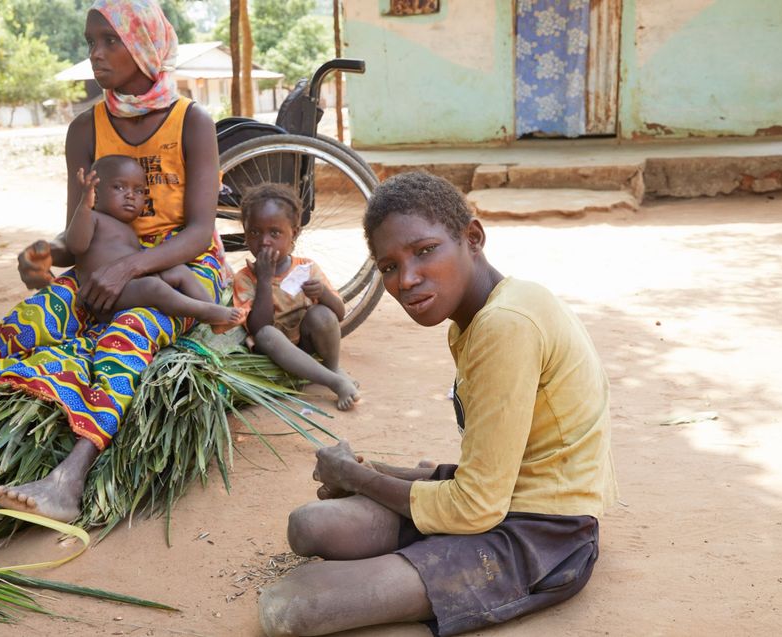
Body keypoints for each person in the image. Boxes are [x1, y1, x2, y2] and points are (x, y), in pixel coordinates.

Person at [257, 172, 618, 636]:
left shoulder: (505, 324)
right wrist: (379, 473)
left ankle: (424, 566)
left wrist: (357, 477)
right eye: (388, 266)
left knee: (290, 605)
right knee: (309, 526)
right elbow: (490, 472)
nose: (406, 279)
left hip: (543, 534)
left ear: (473, 237)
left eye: (425, 250)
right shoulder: (473, 318)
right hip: (500, 498)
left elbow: (474, 507)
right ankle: (417, 560)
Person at [0, 0, 227, 522]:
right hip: (102, 267)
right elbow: (78, 231)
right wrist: (45, 255)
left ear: (144, 45)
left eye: (110, 41)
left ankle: (68, 478)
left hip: (181, 270)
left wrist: (132, 268)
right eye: (91, 41)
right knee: (23, 324)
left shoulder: (192, 123)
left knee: (128, 334)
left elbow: (202, 232)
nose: (96, 53)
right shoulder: (85, 130)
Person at [66, 154, 244, 328]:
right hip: (104, 298)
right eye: (119, 187)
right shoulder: (93, 217)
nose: (130, 195)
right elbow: (76, 245)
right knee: (152, 287)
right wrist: (83, 206)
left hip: (130, 285)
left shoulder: (128, 227)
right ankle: (203, 312)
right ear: (95, 195)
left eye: (138, 191)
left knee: (177, 271)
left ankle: (215, 311)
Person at [232, 183, 360, 411]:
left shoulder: (307, 268)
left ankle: (332, 367)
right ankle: (333, 381)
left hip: (306, 344)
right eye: (254, 232)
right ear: (245, 233)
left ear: (295, 233)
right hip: (274, 354)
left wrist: (322, 294)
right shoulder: (245, 278)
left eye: (275, 233)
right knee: (266, 335)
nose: (264, 241)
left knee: (322, 314)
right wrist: (263, 280)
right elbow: (258, 327)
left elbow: (338, 314)